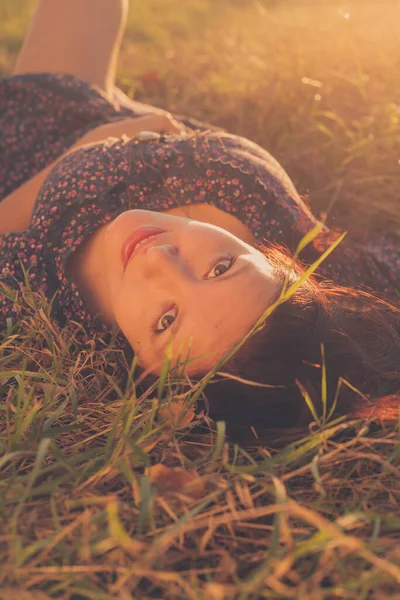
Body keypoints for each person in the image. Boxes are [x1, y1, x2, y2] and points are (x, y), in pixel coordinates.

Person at [1, 0, 399, 436]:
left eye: (166, 321)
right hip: (97, 110)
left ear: (146, 374)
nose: (160, 258)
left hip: (31, 133)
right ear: (282, 264)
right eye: (220, 268)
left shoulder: (40, 298)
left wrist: (97, 143)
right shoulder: (296, 251)